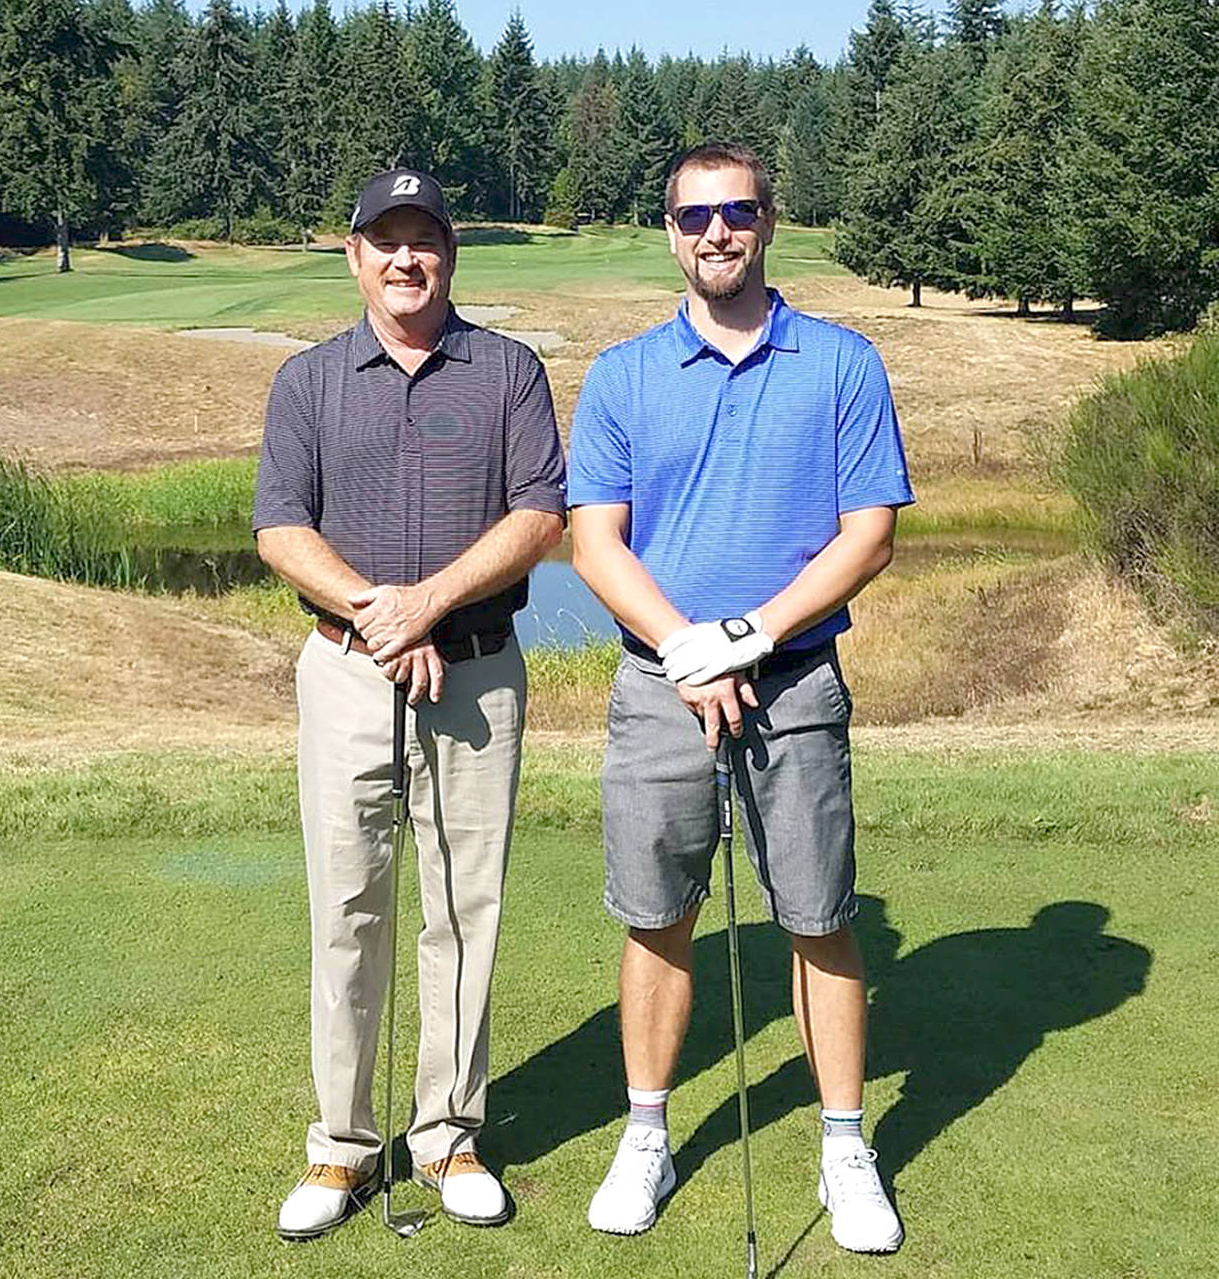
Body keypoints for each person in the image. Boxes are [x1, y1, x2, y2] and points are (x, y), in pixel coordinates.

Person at [567, 141, 915, 1254]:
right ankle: (647, 1132)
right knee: (654, 913)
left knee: (816, 916)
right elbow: (592, 539)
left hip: (795, 679)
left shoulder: (841, 362)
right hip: (656, 685)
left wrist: (751, 634)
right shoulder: (622, 373)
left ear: (768, 220)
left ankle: (844, 1141)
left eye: (735, 211)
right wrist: (685, 648)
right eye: (691, 216)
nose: (713, 231)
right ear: (666, 230)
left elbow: (868, 533)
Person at [253, 167, 565, 1239]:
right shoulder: (307, 381)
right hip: (345, 671)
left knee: (462, 911)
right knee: (347, 911)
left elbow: (539, 514)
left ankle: (447, 1134)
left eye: (421, 238)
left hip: (476, 671)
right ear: (352, 256)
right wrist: (380, 616)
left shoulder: (509, 371)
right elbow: (279, 528)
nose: (403, 258)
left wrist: (428, 605)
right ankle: (340, 1147)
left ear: (449, 253)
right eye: (382, 240)